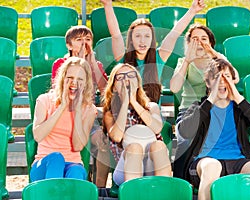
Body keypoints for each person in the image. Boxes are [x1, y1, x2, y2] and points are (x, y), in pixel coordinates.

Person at [178, 58, 250, 200]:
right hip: (205, 161)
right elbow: (184, 132)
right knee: (213, 167)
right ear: (207, 83)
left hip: (237, 161)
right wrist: (210, 101)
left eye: (226, 77)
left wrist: (239, 99)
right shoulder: (199, 107)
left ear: (233, 81)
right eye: (216, 77)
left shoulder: (240, 109)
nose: (222, 81)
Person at [100, 0, 206, 102]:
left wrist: (193, 10)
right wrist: (108, 5)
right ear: (131, 40)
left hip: (152, 116)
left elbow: (174, 34)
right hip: (127, 116)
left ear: (152, 40)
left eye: (147, 36)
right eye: (137, 36)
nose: (142, 41)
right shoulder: (124, 58)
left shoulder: (158, 58)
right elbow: (116, 36)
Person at [170, 24, 239, 178]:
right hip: (190, 110)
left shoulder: (217, 60)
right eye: (195, 39)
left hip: (215, 109)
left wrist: (212, 52)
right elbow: (174, 87)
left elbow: (234, 78)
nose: (199, 42)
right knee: (185, 141)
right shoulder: (184, 61)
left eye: (204, 39)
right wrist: (188, 60)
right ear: (188, 43)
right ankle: (180, 182)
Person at [51, 25, 109, 187]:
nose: (85, 43)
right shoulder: (61, 64)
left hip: (87, 118)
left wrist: (92, 65)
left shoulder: (96, 64)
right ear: (69, 45)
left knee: (103, 141)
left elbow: (106, 90)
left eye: (88, 39)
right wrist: (81, 63)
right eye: (79, 40)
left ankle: (99, 187)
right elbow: (61, 92)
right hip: (65, 118)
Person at [102, 63, 172, 186]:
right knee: (135, 147)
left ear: (138, 83)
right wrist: (125, 103)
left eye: (130, 76)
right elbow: (117, 137)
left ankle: (163, 191)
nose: (126, 80)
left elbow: (156, 128)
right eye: (121, 77)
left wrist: (133, 101)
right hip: (125, 169)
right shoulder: (110, 113)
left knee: (159, 145)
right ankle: (134, 193)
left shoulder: (151, 107)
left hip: (152, 166)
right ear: (114, 87)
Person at [30, 57, 98, 182]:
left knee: (77, 171)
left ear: (86, 83)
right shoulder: (44, 100)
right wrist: (62, 107)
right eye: (70, 78)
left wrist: (77, 110)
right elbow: (38, 136)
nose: (74, 83)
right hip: (44, 164)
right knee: (56, 158)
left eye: (80, 79)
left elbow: (77, 146)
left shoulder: (89, 110)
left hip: (72, 163)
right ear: (62, 79)